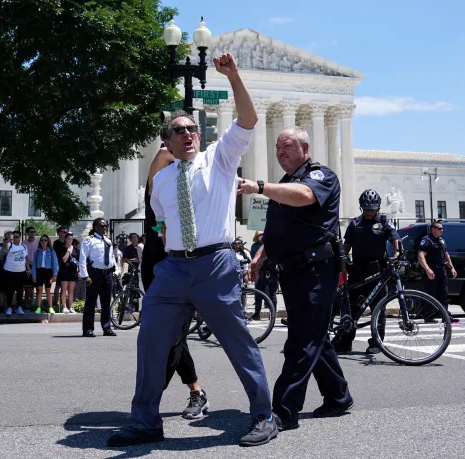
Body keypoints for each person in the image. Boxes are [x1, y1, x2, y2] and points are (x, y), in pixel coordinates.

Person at [107, 53, 276, 448]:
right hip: (172, 270)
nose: (188, 134)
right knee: (150, 341)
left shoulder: (218, 159)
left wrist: (233, 77)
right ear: (166, 142)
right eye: (179, 130)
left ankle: (264, 415)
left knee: (237, 341)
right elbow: (163, 225)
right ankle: (145, 420)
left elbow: (248, 120)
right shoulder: (161, 182)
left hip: (214, 264)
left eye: (192, 129)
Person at [243, 125, 353, 432]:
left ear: (305, 148)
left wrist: (260, 186)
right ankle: (338, 397)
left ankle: (283, 410)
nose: (280, 153)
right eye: (277, 147)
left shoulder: (320, 176)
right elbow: (279, 227)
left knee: (301, 340)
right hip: (291, 271)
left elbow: (305, 196)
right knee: (315, 336)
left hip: (315, 271)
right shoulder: (286, 183)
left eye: (287, 147)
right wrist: (260, 255)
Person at [141, 135, 209, 420]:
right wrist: (170, 154)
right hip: (153, 269)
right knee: (171, 336)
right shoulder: (159, 191)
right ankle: (196, 391)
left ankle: (148, 405)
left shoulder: (190, 202)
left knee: (171, 336)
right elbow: (155, 169)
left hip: (179, 269)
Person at [332, 189, 401, 354]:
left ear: (377, 208)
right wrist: (341, 257)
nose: (369, 212)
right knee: (352, 309)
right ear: (361, 208)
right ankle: (345, 341)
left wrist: (396, 253)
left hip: (377, 273)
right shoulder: (355, 224)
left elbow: (395, 239)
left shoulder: (384, 223)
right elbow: (347, 245)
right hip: (357, 272)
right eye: (366, 209)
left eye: (372, 209)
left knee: (379, 309)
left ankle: (376, 343)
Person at [78, 218, 117, 337]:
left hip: (107, 274)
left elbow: (111, 257)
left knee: (106, 303)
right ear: (95, 227)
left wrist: (116, 269)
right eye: (101, 226)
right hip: (94, 274)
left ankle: (107, 327)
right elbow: (83, 258)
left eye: (105, 226)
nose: (104, 228)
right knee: (90, 303)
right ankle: (88, 329)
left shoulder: (108, 241)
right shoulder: (89, 241)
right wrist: (85, 276)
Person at [0, 230, 29, 315]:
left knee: (20, 290)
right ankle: (9, 307)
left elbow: (26, 258)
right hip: (9, 271)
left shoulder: (23, 246)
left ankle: (19, 307)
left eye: (17, 237)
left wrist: (28, 269)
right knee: (10, 290)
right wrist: (9, 239)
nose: (15, 238)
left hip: (21, 271)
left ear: (19, 238)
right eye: (14, 237)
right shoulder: (9, 244)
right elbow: (4, 247)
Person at [250, 231, 279, 321]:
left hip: (273, 272)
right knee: (258, 294)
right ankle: (257, 313)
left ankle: (272, 314)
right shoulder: (256, 247)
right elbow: (255, 258)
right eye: (259, 236)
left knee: (272, 294)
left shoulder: (272, 245)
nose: (261, 237)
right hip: (262, 272)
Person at [32, 234, 58, 314]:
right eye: (42, 240)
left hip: (48, 272)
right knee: (39, 290)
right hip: (39, 272)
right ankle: (38, 307)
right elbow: (34, 265)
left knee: (48, 290)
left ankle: (50, 307)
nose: (43, 241)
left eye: (45, 240)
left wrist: (54, 275)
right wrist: (34, 275)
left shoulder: (51, 251)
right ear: (40, 241)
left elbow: (55, 264)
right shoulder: (37, 252)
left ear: (48, 242)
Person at [57, 232, 79, 314]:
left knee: (71, 291)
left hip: (73, 272)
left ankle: (71, 307)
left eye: (71, 239)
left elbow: (79, 261)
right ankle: (64, 307)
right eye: (69, 239)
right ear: (65, 239)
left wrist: (79, 270)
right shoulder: (62, 248)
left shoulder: (76, 249)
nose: (70, 240)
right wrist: (68, 252)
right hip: (64, 272)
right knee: (64, 290)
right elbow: (64, 260)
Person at [52, 226, 69, 310]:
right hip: (59, 267)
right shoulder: (56, 243)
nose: (65, 233)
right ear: (59, 233)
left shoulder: (68, 243)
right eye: (63, 232)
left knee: (65, 287)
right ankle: (56, 303)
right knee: (58, 286)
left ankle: (64, 303)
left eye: (66, 232)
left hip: (66, 268)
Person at [23, 227, 39, 307]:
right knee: (27, 286)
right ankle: (26, 302)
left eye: (34, 232)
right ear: (27, 233)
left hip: (35, 266)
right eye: (31, 232)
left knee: (35, 284)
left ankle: (34, 302)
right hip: (26, 266)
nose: (33, 233)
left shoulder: (38, 242)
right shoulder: (24, 243)